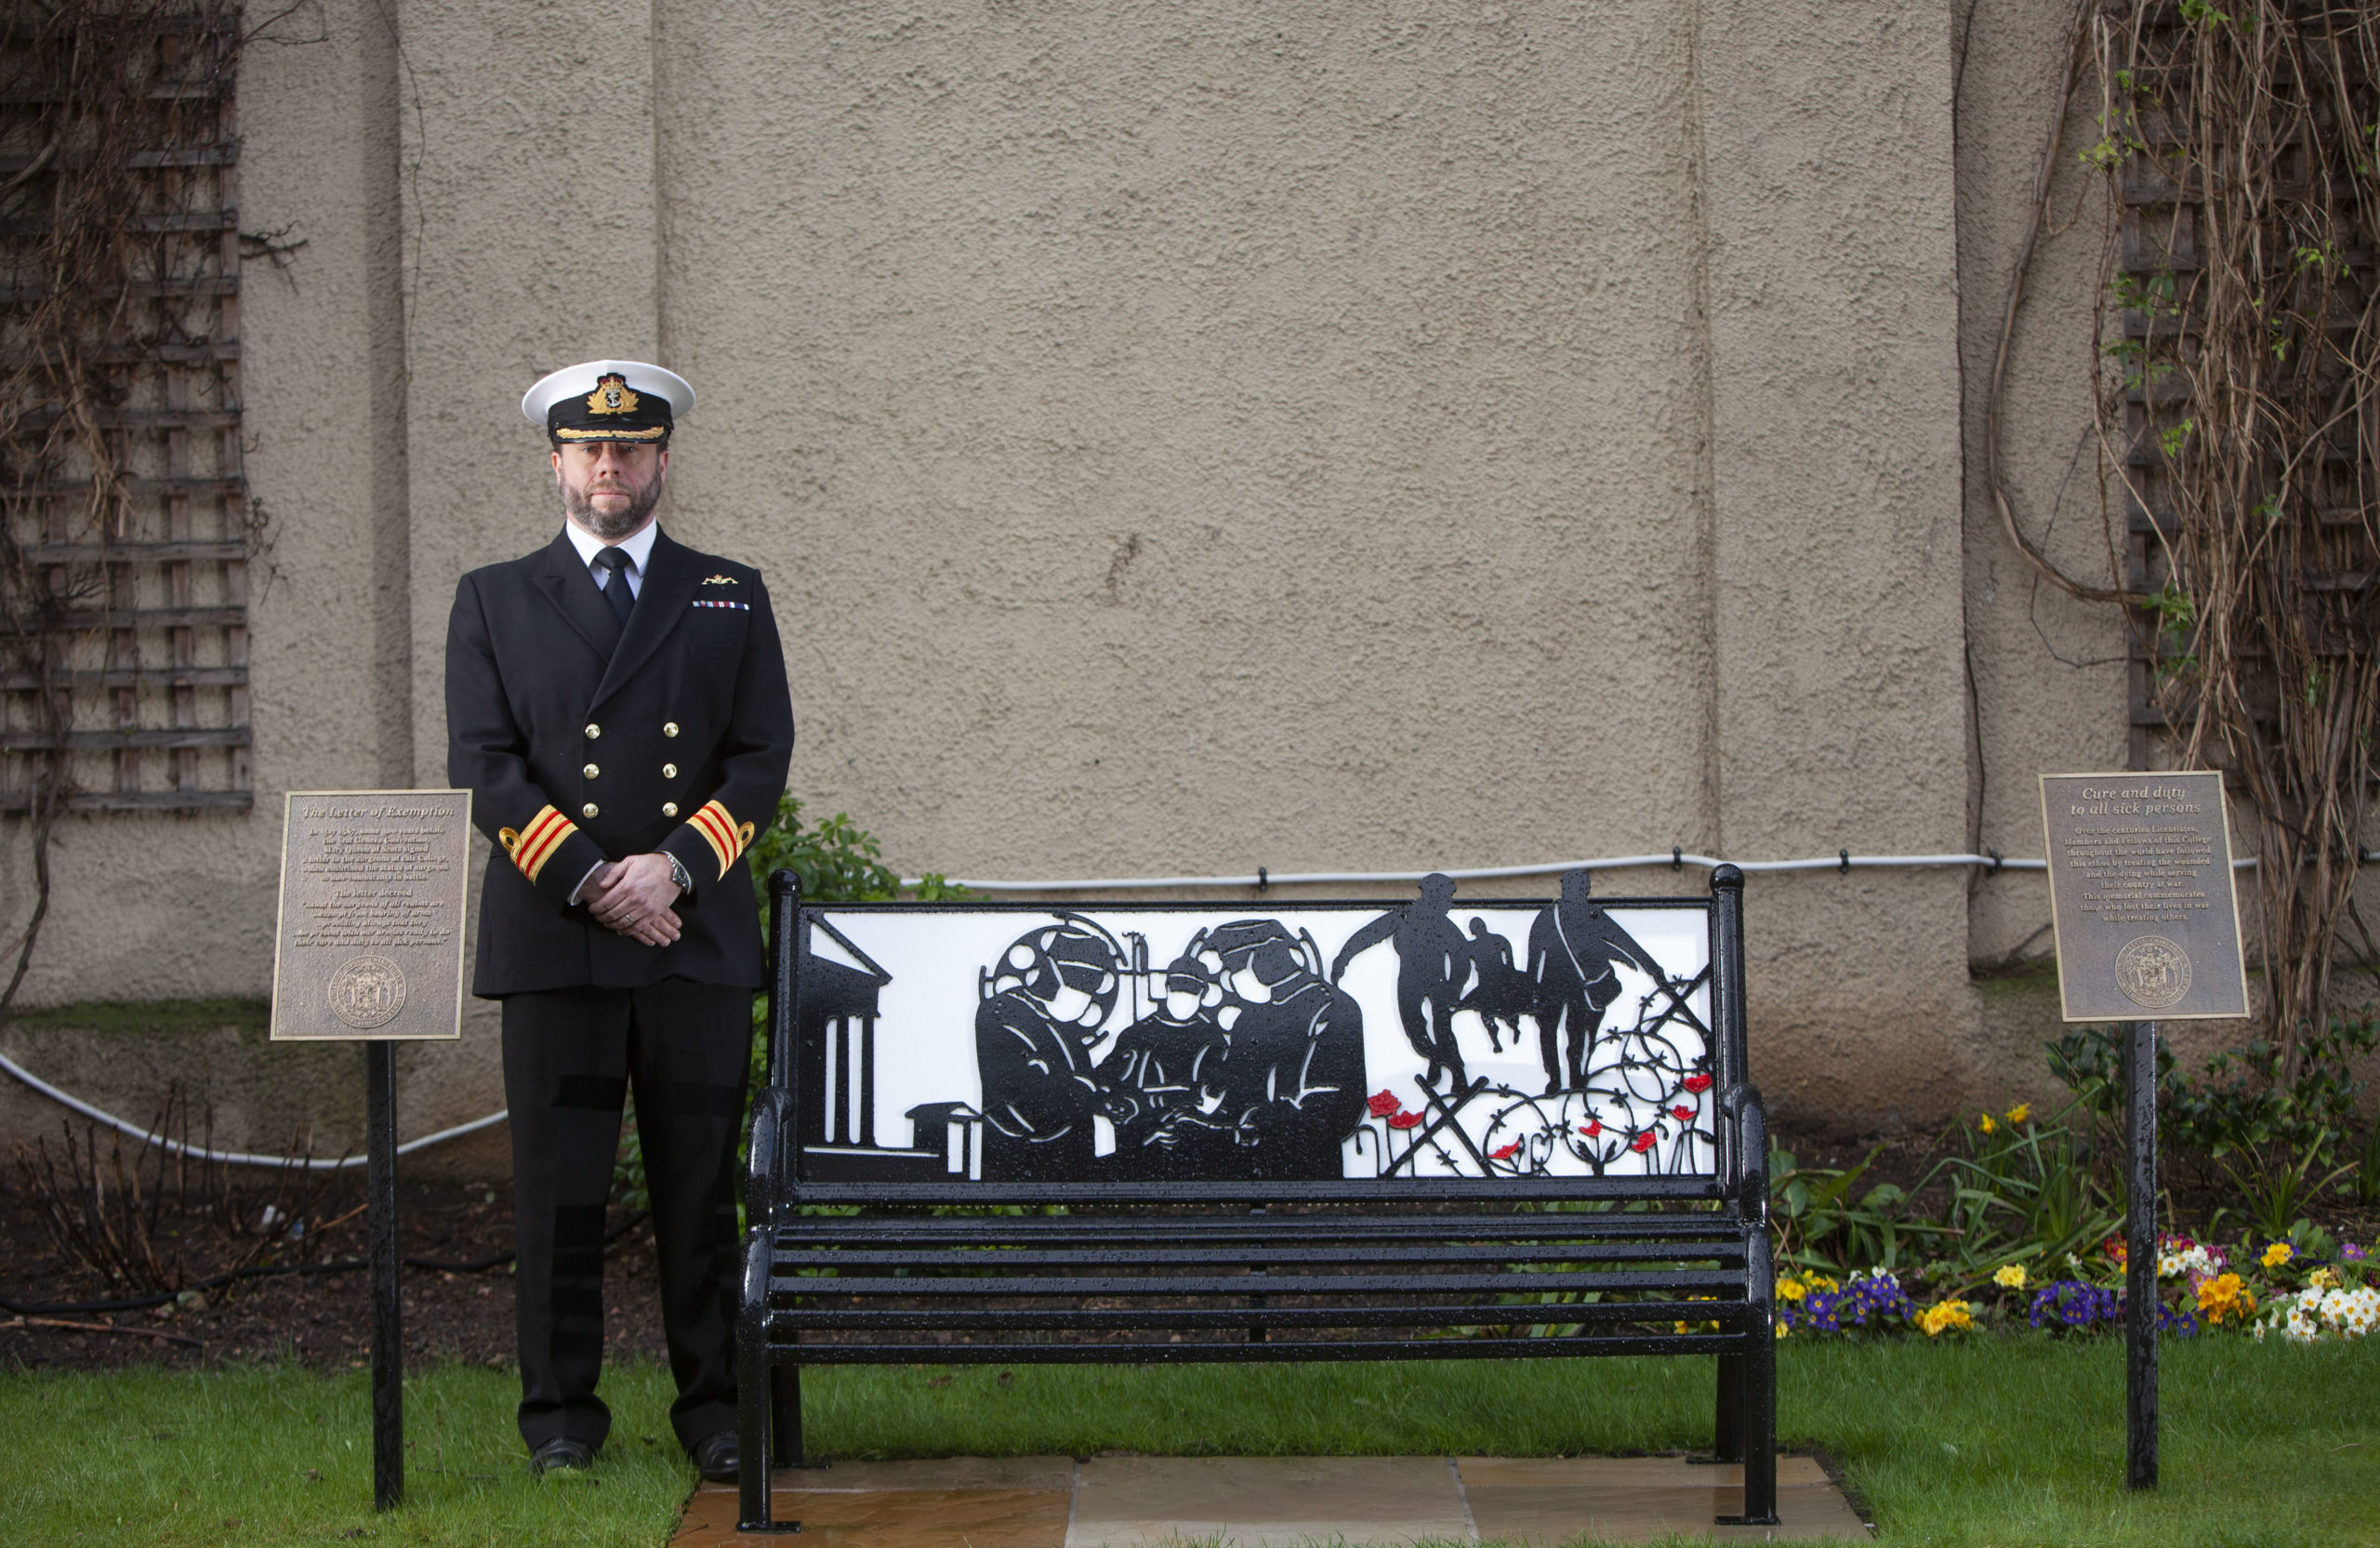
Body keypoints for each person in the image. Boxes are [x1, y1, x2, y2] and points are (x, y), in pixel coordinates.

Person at [446, 359, 795, 1482]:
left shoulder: (727, 591)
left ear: (660, 461)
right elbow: (484, 765)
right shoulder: (493, 598)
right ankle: (560, 1420)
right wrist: (596, 879)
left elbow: (759, 758)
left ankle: (715, 1414)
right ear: (556, 462)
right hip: (559, 944)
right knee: (560, 1193)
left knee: (699, 1190)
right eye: (591, 449)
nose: (612, 465)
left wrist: (675, 871)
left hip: (689, 944)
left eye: (632, 447)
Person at [1526, 868, 1664, 1095]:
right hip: (1553, 984)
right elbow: (1534, 954)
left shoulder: (1594, 915)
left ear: (1586, 890)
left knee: (1577, 1034)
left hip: (1583, 986)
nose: (1576, 891)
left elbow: (1624, 941)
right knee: (1549, 1031)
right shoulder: (1549, 915)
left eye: (1581, 887)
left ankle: (1576, 1077)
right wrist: (1531, 988)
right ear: (1565, 888)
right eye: (1573, 886)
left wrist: (1651, 967)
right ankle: (1554, 1079)